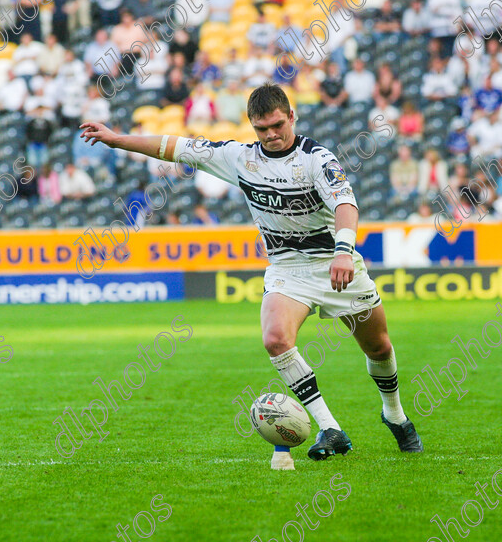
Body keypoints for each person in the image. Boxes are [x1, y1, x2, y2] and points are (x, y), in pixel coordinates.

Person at [79, 82, 423, 460]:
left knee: (379, 346)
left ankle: (395, 415)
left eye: (278, 125)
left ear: (292, 116)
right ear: (251, 127)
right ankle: (330, 428)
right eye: (262, 129)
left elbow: (346, 203)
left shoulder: (318, 159)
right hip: (287, 268)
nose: (272, 135)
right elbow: (173, 145)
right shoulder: (239, 158)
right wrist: (117, 140)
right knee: (276, 338)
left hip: (335, 263)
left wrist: (344, 251)